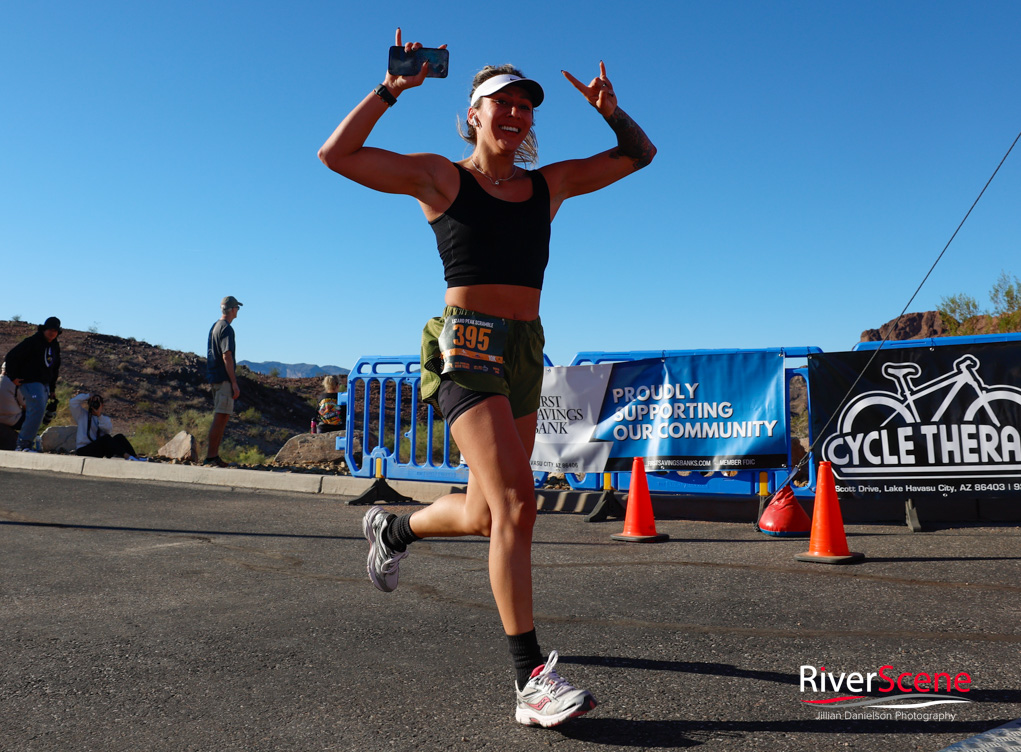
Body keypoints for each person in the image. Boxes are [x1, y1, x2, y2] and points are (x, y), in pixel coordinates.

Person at [318, 30, 655, 727]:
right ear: (473, 114)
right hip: (464, 343)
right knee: (517, 506)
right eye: (503, 103)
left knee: (482, 513)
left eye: (525, 107)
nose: (517, 114)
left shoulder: (547, 186)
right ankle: (530, 681)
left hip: (525, 350)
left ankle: (394, 530)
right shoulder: (442, 178)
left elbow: (638, 155)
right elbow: (337, 156)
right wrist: (390, 89)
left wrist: (610, 113)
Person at [4, 316, 62, 452]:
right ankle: (23, 444)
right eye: (50, 330)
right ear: (44, 329)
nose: (52, 333)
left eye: (55, 330)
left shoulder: (55, 346)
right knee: (37, 409)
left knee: (38, 412)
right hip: (30, 381)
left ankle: (27, 444)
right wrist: (13, 377)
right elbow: (11, 356)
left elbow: (55, 368)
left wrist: (52, 388)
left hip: (45, 384)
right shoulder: (32, 342)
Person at [204, 296, 242, 467]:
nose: (238, 311)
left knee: (221, 417)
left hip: (215, 377)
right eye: (237, 308)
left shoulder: (215, 326)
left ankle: (213, 456)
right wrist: (234, 382)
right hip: (223, 379)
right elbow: (227, 356)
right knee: (220, 418)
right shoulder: (226, 328)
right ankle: (211, 457)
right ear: (232, 309)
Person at [69, 392, 143, 459]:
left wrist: (99, 415)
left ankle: (135, 457)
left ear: (102, 405)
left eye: (98, 403)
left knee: (119, 437)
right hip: (84, 450)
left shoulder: (104, 419)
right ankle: (127, 456)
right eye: (93, 403)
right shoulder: (81, 415)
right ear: (89, 404)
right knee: (105, 438)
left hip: (98, 450)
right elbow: (72, 402)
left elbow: (108, 430)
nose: (95, 405)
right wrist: (88, 396)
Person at [0, 361, 27, 451]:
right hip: (13, 421)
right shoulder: (15, 384)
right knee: (33, 414)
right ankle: (26, 442)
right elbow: (25, 406)